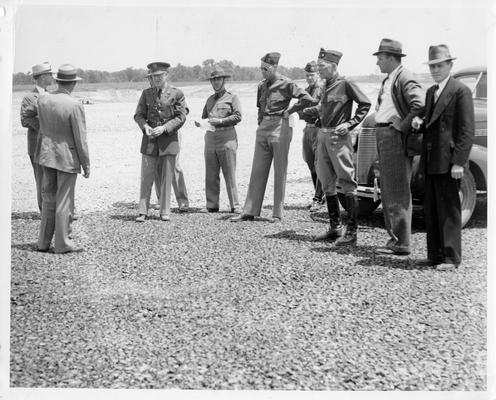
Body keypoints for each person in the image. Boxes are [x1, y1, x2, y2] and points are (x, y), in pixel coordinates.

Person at [231, 52, 317, 223]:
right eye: (261, 69)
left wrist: (291, 111)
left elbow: (309, 99)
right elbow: (259, 108)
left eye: (266, 69)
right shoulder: (261, 86)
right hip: (264, 127)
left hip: (280, 126)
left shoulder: (286, 83)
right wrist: (260, 124)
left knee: (280, 170)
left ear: (275, 67)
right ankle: (249, 211)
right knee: (257, 169)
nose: (263, 72)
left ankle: (277, 214)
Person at [412, 45, 474, 271]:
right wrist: (419, 124)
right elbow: (431, 124)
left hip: (449, 161)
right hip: (431, 159)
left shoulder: (460, 91)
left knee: (449, 209)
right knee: (432, 208)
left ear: (450, 65)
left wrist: (459, 161)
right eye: (432, 66)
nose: (435, 70)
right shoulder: (431, 92)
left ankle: (451, 258)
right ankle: (435, 255)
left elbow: (466, 131)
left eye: (440, 65)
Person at [371, 38, 425, 256]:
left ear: (392, 58)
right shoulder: (390, 79)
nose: (378, 63)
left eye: (381, 58)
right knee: (389, 190)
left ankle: (402, 243)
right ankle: (396, 239)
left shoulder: (404, 77)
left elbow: (420, 104)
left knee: (397, 191)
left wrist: (402, 125)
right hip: (385, 135)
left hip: (394, 137)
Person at [312, 49, 371, 246]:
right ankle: (335, 228)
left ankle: (352, 231)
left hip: (339, 139)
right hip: (323, 136)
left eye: (322, 66)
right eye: (318, 66)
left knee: (347, 181)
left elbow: (365, 103)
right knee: (327, 182)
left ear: (334, 66)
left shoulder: (346, 84)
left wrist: (350, 123)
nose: (319, 70)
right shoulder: (325, 85)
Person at [36, 64, 90, 253]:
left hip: (46, 154)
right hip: (67, 158)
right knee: (64, 201)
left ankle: (43, 243)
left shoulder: (43, 99)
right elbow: (80, 138)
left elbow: (42, 128)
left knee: (48, 198)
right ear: (73, 83)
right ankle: (62, 243)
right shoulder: (74, 104)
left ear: (58, 80)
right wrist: (86, 164)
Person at [134, 62, 187, 222]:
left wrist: (164, 128)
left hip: (168, 140)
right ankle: (143, 211)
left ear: (166, 75)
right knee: (147, 176)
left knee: (166, 177)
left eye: (159, 75)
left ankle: (165, 211)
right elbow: (138, 115)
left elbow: (181, 117)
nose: (156, 79)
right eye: (153, 76)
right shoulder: (146, 93)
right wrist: (145, 126)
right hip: (150, 140)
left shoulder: (177, 93)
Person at [196, 66, 242, 213]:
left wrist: (221, 121)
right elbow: (205, 116)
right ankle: (212, 204)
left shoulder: (232, 97)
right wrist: (200, 123)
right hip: (210, 137)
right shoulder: (209, 99)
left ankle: (235, 205)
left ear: (223, 80)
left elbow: (238, 116)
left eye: (218, 79)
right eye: (213, 80)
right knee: (210, 172)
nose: (216, 82)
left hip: (227, 136)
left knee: (229, 172)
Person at [20, 62, 54, 211]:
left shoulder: (53, 95)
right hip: (37, 146)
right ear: (41, 77)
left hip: (53, 146)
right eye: (49, 74)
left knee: (54, 178)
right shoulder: (29, 97)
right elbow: (25, 120)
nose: (52, 77)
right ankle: (44, 211)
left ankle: (57, 210)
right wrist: (44, 127)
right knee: (41, 180)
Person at [296, 61, 325, 212]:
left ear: (318, 74)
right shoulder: (306, 90)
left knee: (319, 163)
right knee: (310, 162)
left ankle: (318, 198)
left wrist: (307, 111)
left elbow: (319, 109)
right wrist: (306, 111)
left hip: (318, 128)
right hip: (307, 129)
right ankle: (318, 194)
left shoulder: (321, 89)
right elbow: (300, 109)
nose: (309, 78)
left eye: (312, 75)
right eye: (307, 75)